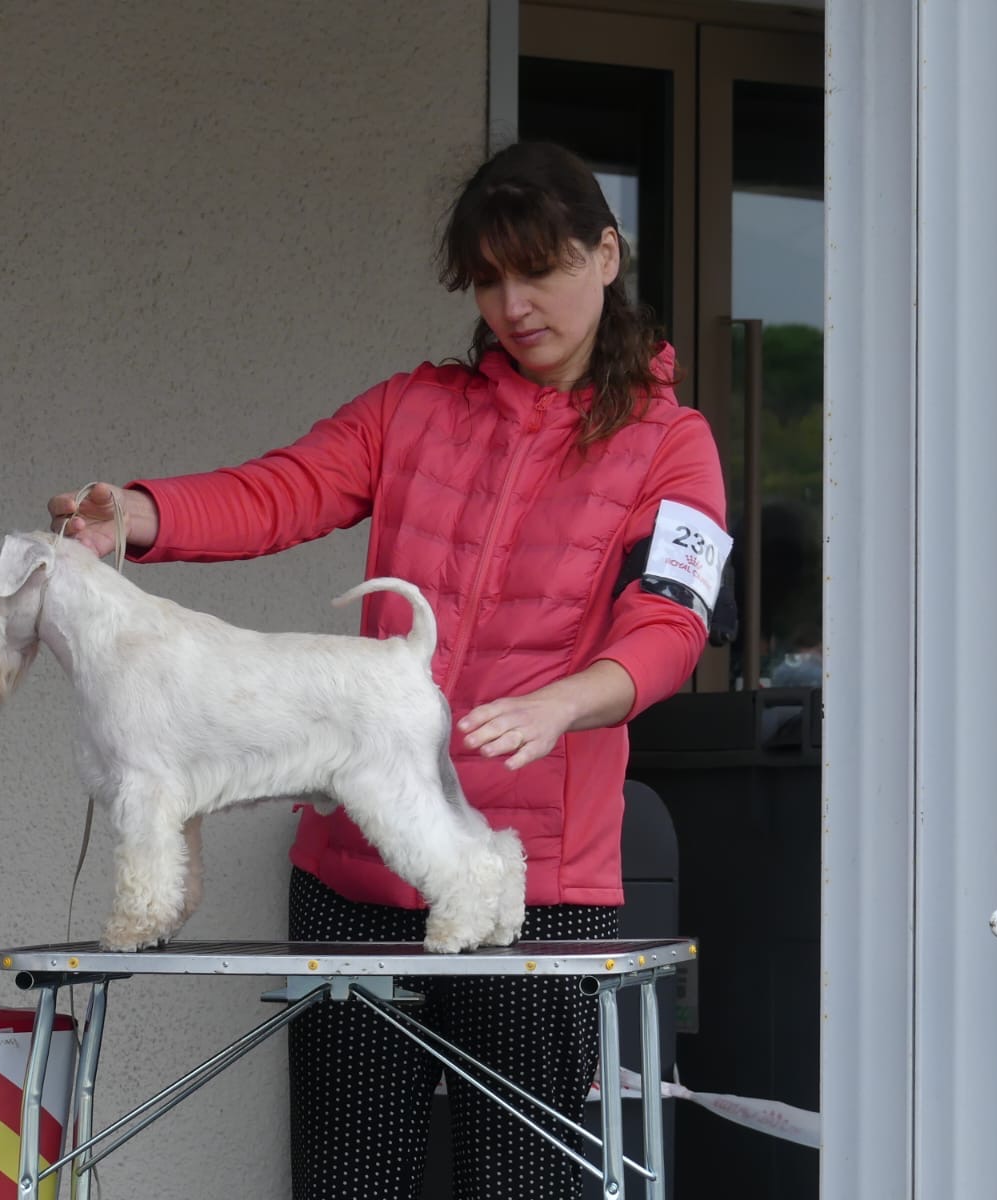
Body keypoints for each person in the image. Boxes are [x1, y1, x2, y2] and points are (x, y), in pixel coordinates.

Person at [48, 141, 728, 1200]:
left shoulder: (671, 445)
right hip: (352, 880)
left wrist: (566, 700)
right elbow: (282, 490)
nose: (513, 303)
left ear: (605, 255)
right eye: (489, 278)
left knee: (526, 1185)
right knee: (348, 1182)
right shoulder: (415, 408)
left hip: (534, 883)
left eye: (539, 268)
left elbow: (670, 624)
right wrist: (138, 514)